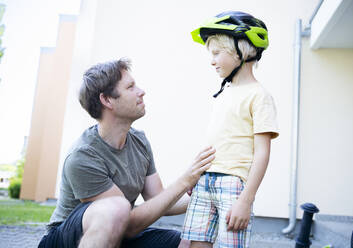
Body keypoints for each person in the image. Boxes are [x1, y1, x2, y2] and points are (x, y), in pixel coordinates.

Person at [38, 58, 215, 248]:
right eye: (130, 87)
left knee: (192, 240)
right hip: (67, 240)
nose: (141, 91)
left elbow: (159, 200)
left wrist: (209, 195)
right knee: (117, 208)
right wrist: (186, 179)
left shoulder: (139, 141)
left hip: (119, 235)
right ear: (107, 100)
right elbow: (128, 223)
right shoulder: (83, 156)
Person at [181, 11, 279, 247]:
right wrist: (197, 174)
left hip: (233, 186)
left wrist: (246, 199)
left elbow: (262, 153)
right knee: (193, 244)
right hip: (205, 181)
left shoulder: (259, 96)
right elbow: (218, 140)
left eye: (216, 53)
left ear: (240, 51)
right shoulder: (224, 93)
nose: (211, 60)